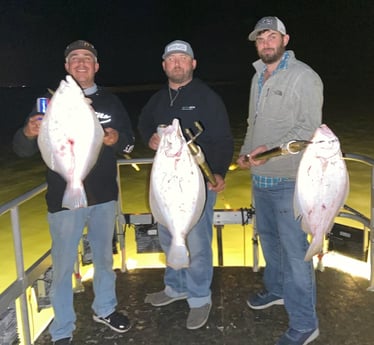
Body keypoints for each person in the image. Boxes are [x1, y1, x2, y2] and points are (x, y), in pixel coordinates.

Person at [13, 40, 135, 345]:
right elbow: (21, 150)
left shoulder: (110, 102)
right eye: (75, 59)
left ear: (96, 66)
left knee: (105, 259)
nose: (81, 63)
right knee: (64, 264)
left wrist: (117, 138)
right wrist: (28, 133)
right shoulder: (47, 102)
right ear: (67, 67)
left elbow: (130, 143)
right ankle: (63, 328)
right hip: (63, 198)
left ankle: (105, 309)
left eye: (88, 59)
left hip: (105, 197)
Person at [236, 17, 323, 345]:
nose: (266, 43)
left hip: (290, 181)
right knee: (270, 243)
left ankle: (305, 323)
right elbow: (251, 124)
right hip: (261, 180)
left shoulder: (305, 77)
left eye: (272, 36)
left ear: (285, 38)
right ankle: (277, 291)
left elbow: (308, 132)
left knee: (296, 252)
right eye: (261, 39)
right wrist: (246, 154)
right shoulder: (258, 75)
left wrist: (268, 153)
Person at [138, 40, 234, 330]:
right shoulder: (157, 99)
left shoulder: (207, 97)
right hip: (165, 184)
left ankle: (199, 298)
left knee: (197, 242)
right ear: (164, 65)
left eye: (183, 58)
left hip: (196, 185)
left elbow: (224, 139)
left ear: (193, 64)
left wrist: (217, 173)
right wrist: (150, 139)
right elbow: (143, 124)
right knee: (168, 236)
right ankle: (175, 288)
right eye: (172, 59)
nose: (177, 63)